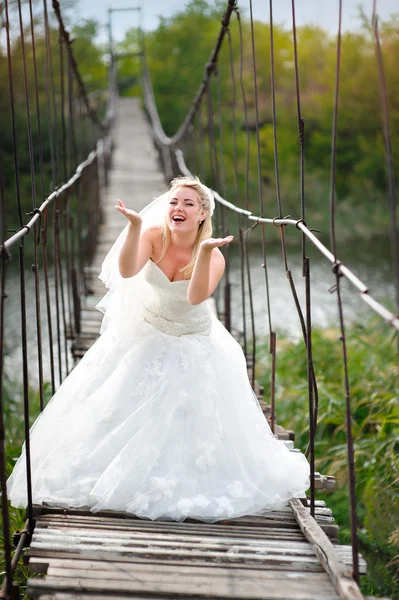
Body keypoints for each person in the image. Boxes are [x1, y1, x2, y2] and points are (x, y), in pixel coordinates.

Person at [7, 175, 309, 523]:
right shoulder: (153, 235)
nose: (177, 208)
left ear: (201, 215)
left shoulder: (214, 256)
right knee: (120, 400)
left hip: (191, 338)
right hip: (147, 328)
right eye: (173, 202)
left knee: (186, 413)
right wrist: (135, 227)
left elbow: (196, 297)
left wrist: (206, 251)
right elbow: (126, 269)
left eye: (188, 204)